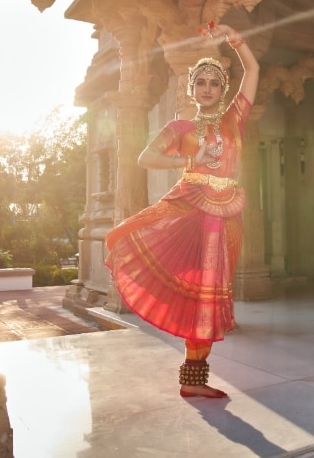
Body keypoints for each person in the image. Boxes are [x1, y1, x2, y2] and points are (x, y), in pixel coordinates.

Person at [105, 22, 259, 399]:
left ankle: (194, 380)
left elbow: (253, 71)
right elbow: (145, 157)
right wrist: (190, 156)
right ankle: (193, 382)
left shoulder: (232, 120)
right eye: (201, 82)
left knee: (212, 294)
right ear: (191, 89)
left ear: (223, 90)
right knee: (194, 291)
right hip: (191, 206)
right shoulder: (180, 127)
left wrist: (234, 40)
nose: (207, 88)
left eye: (215, 83)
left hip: (227, 215)